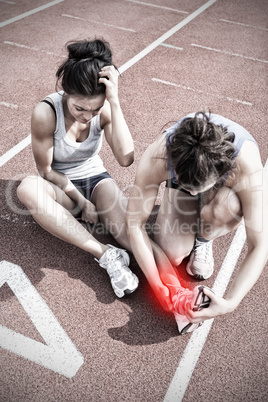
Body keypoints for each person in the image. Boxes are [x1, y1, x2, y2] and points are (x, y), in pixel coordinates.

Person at [17, 38, 139, 298]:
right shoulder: (46, 112)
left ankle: (173, 291)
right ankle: (106, 254)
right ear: (66, 93)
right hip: (61, 189)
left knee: (135, 240)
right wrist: (81, 203)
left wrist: (114, 103)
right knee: (27, 189)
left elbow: (126, 159)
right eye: (79, 108)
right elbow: (47, 171)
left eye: (94, 110)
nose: (87, 116)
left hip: (96, 180)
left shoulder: (105, 107)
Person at [126, 111, 268, 333]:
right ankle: (179, 202)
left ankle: (203, 238)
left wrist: (231, 303)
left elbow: (260, 245)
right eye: (188, 186)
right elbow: (134, 224)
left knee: (227, 206)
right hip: (191, 171)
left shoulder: (246, 168)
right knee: (171, 254)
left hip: (226, 190)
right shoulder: (158, 156)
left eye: (196, 189)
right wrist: (157, 284)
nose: (193, 192)